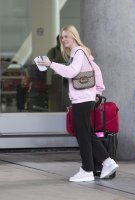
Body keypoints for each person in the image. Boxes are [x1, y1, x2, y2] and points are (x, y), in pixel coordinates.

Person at [36, 25, 119, 182]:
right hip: (84, 98)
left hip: (83, 99)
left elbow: (71, 72)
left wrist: (50, 64)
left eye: (66, 36)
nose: (64, 39)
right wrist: (98, 91)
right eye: (62, 37)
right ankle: (105, 163)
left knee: (83, 135)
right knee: (85, 133)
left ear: (74, 36)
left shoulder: (79, 52)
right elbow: (96, 70)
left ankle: (89, 169)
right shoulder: (80, 52)